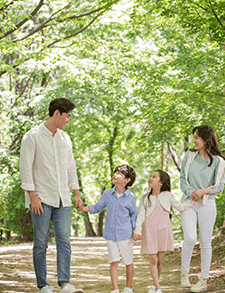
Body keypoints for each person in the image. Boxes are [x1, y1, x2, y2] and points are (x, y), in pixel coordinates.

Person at [19, 98, 84, 293]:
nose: (68, 120)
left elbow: (71, 167)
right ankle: (43, 285)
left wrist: (76, 193)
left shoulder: (65, 138)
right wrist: (32, 196)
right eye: (67, 116)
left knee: (64, 240)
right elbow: (25, 168)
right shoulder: (32, 137)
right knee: (41, 242)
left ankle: (65, 284)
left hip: (63, 198)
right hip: (41, 198)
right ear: (56, 113)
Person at [179, 125, 225, 293]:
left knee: (206, 243)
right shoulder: (189, 156)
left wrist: (202, 191)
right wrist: (192, 193)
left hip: (208, 204)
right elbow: (182, 180)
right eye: (193, 137)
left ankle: (203, 280)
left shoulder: (219, 162)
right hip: (189, 202)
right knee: (190, 238)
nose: (194, 140)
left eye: (197, 137)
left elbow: (219, 186)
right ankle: (184, 273)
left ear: (206, 140)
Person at [77, 164, 137, 293]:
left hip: (126, 235)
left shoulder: (131, 198)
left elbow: (133, 215)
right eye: (115, 172)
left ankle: (128, 288)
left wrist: (135, 231)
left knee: (128, 262)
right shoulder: (107, 194)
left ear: (127, 180)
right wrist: (83, 208)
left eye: (119, 173)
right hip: (110, 234)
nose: (115, 174)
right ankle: (115, 289)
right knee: (113, 262)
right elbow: (97, 207)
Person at [132, 170, 191, 293]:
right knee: (153, 259)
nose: (150, 178)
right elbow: (141, 216)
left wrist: (192, 201)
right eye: (150, 176)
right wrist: (137, 231)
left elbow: (180, 207)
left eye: (154, 176)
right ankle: (158, 288)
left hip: (164, 230)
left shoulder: (168, 196)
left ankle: (155, 284)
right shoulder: (145, 198)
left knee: (160, 260)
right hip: (149, 231)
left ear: (161, 182)